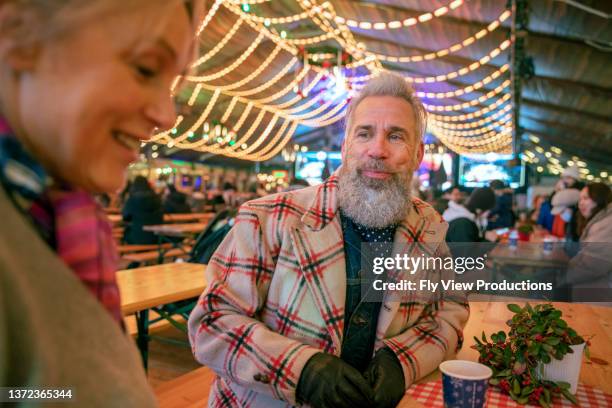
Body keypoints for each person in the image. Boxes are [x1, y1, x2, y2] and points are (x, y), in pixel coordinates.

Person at [188, 73, 469, 408]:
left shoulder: (430, 227)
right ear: (346, 147)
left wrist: (403, 360)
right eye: (365, 133)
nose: (377, 150)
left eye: (396, 137)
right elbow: (212, 322)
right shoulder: (268, 218)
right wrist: (300, 369)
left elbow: (449, 310)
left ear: (418, 154)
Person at [0, 1, 199, 404]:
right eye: (145, 68)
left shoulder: (65, 216)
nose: (166, 114)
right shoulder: (268, 217)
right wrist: (299, 368)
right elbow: (223, 319)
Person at [122, 175, 164, 244]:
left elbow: (125, 217)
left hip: (137, 238)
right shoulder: (157, 199)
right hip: (156, 238)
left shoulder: (132, 199)